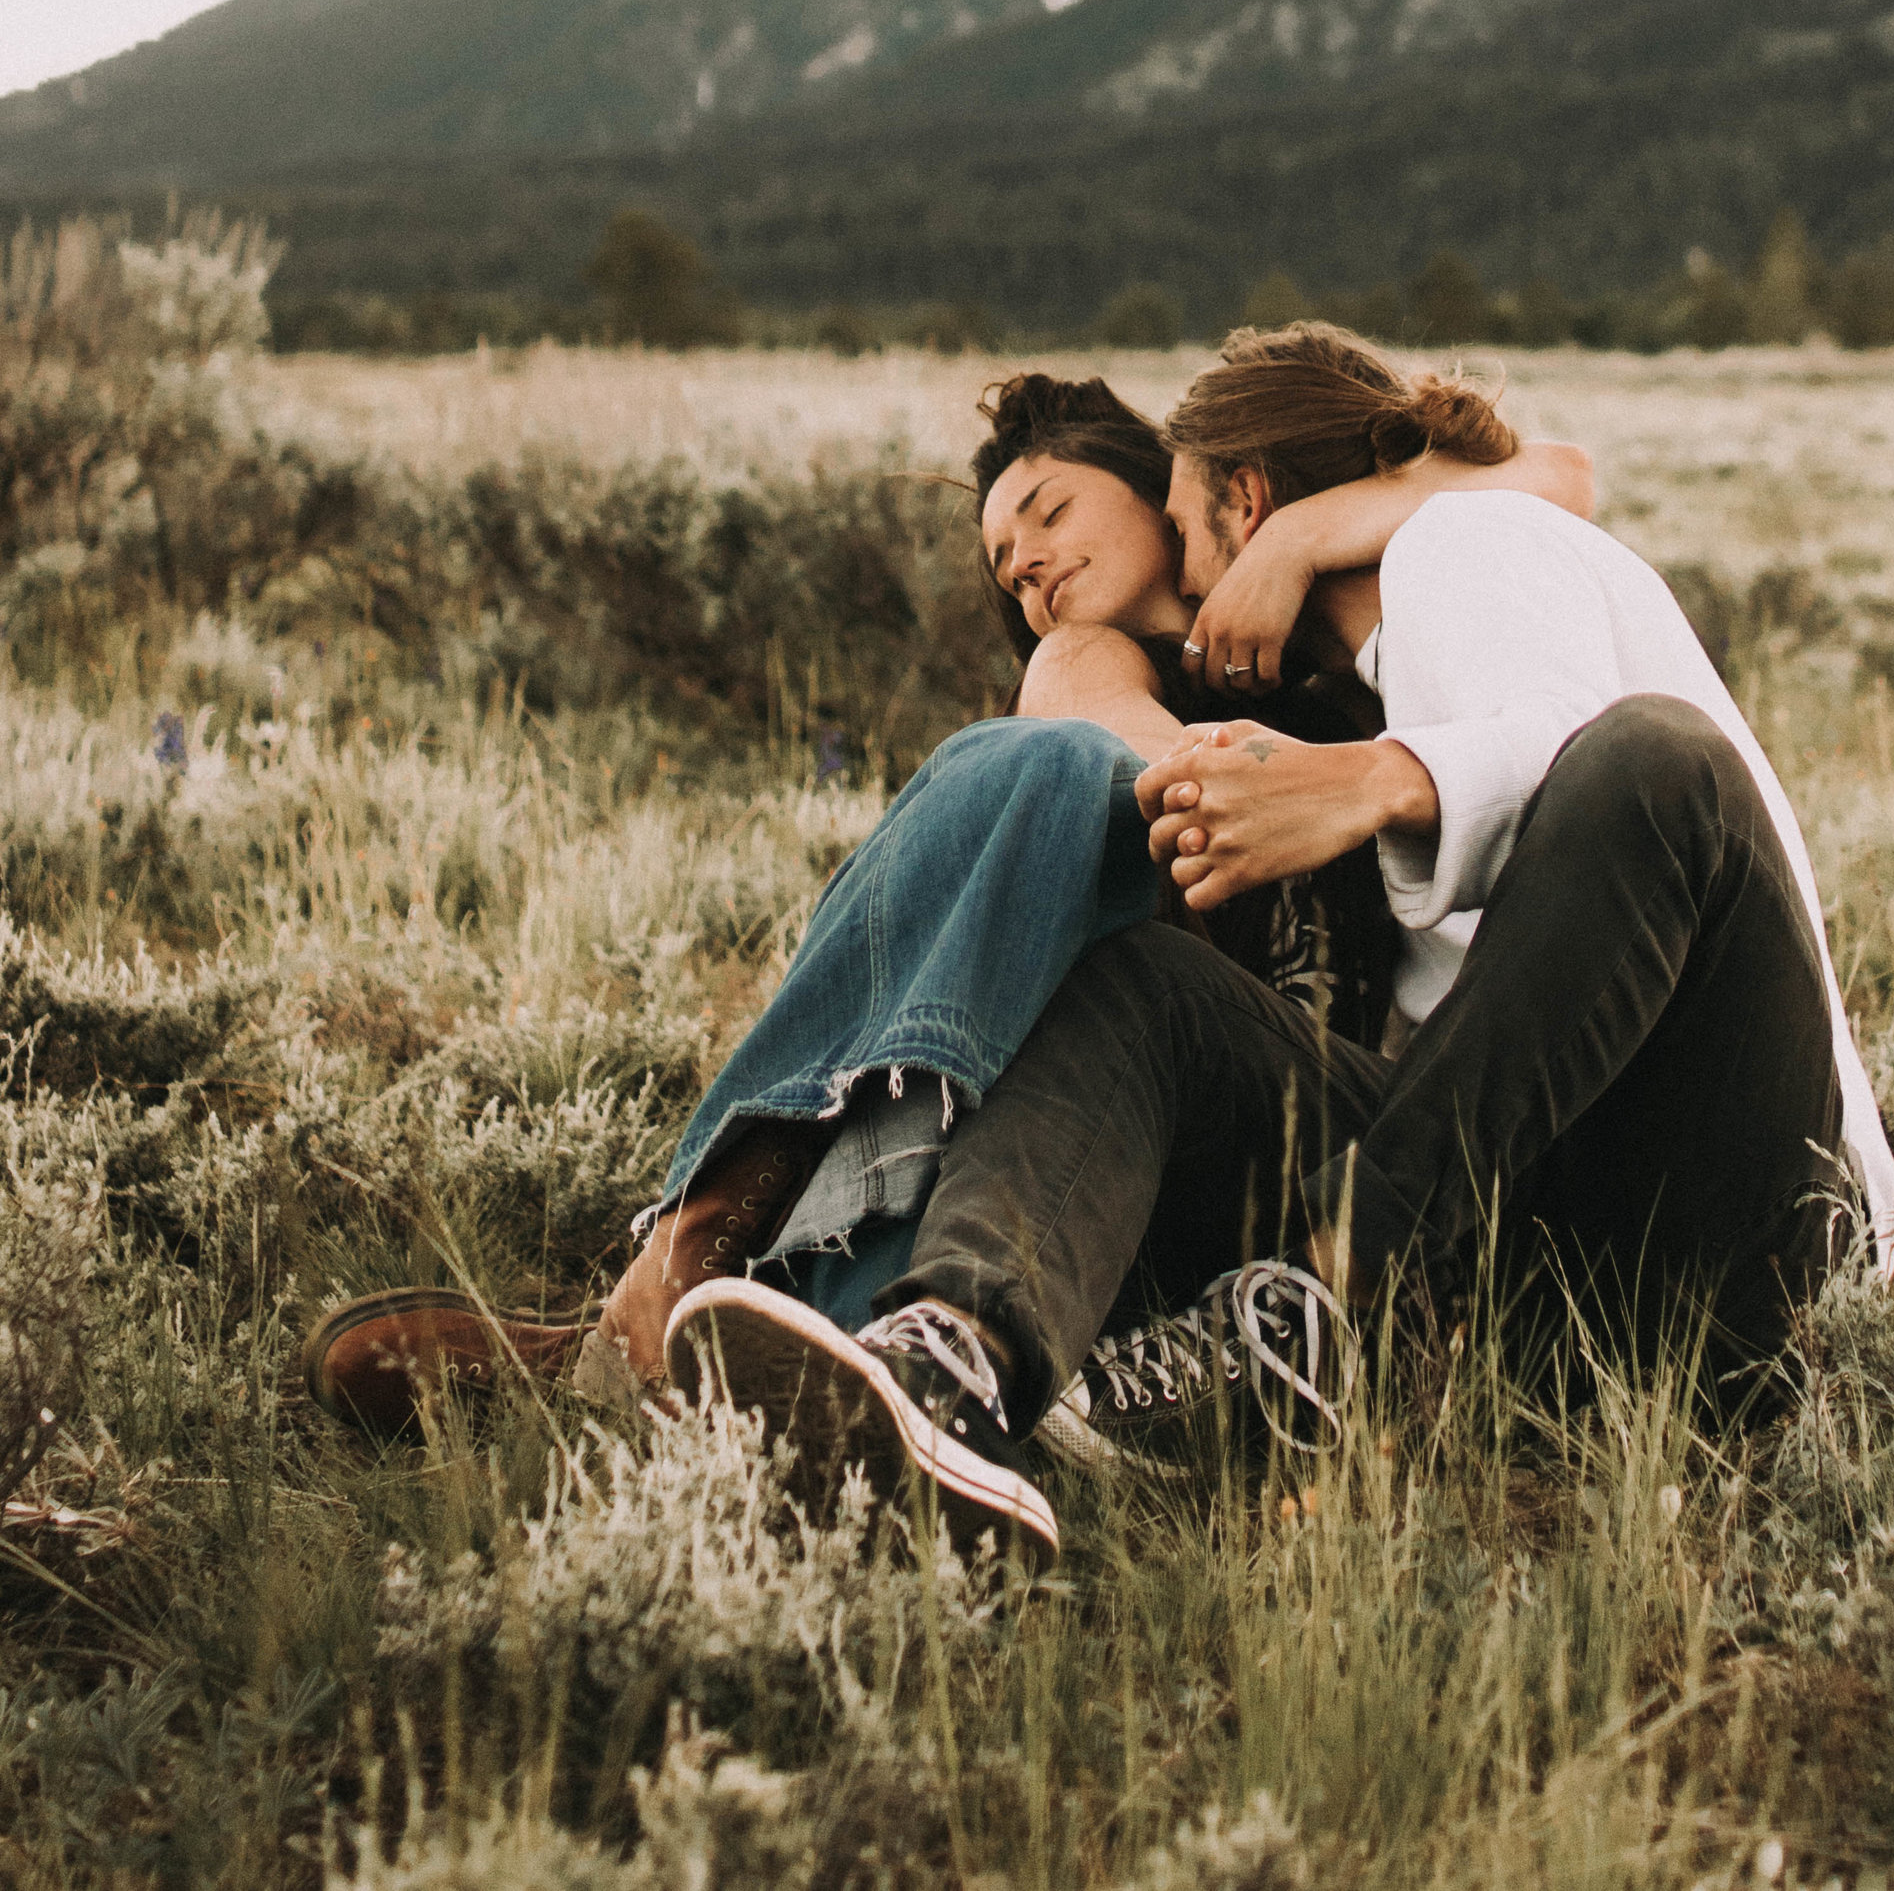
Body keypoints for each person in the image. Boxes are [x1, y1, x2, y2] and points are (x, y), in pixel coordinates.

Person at [660, 325, 1894, 1564]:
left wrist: (1377, 777)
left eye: (1190, 531)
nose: (1194, 585)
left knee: (1659, 757)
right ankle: (947, 1369)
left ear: (1245, 500)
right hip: (1530, 1289)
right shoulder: (1333, 690)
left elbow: (1609, 774)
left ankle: (1321, 1300)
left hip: (1746, 1243)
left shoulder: (1463, 547)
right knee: (1145, 993)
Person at [299, 357, 1593, 1532]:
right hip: (1105, 1188)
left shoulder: (1351, 633)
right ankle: (744, 1306)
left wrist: (1302, 536)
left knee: (1041, 816)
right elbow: (1143, 754)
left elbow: (1555, 477)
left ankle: (666, 1325)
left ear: (1174, 494)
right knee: (1043, 785)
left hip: (1318, 1177)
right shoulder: (1088, 663)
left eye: (1046, 510)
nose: (1020, 560)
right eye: (999, 553)